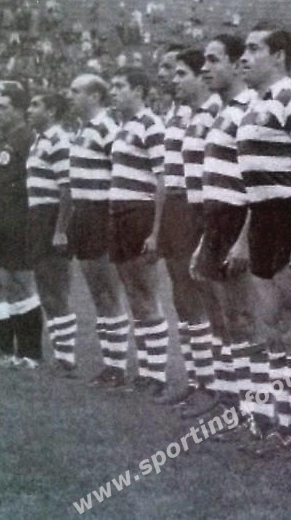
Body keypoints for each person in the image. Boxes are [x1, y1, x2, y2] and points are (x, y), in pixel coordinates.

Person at [236, 22, 291, 459]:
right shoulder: (253, 106)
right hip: (263, 219)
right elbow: (256, 183)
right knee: (271, 324)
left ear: (279, 56)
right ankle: (282, 426)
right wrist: (243, 238)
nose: (244, 57)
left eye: (254, 49)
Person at [190, 34, 263, 440]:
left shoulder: (250, 108)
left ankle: (259, 415)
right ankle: (236, 406)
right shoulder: (222, 111)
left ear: (237, 65)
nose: (205, 68)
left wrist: (245, 239)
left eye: (213, 60)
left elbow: (256, 182)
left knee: (246, 319)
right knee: (228, 320)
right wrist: (206, 237)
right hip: (216, 221)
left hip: (239, 221)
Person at [156, 48, 218, 407]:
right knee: (181, 295)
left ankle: (212, 384)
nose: (166, 76)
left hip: (196, 203)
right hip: (176, 204)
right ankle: (196, 379)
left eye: (176, 70)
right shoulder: (178, 111)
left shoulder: (211, 110)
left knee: (201, 295)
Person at [108, 66, 170, 395]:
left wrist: (156, 232)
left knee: (146, 294)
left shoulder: (151, 125)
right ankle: (145, 371)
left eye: (120, 86)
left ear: (139, 91)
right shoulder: (122, 128)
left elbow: (163, 180)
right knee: (132, 294)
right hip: (119, 215)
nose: (114, 91)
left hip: (140, 214)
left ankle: (156, 375)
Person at [66, 74, 130, 388]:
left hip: (101, 215)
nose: (70, 96)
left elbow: (118, 176)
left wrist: (113, 221)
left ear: (94, 96)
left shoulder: (107, 129)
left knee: (108, 293)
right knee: (96, 294)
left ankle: (117, 367)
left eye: (76, 91)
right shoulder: (82, 131)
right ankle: (110, 364)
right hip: (82, 215)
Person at [0, 88, 45, 369]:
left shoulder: (27, 138)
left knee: (22, 284)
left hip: (18, 223)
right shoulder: (2, 139)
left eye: (3, 107)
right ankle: (14, 348)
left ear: (19, 110)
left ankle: (31, 352)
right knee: (5, 283)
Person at [26, 92, 77, 376]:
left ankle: (67, 358)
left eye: (36, 105)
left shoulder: (59, 140)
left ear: (52, 111)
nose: (29, 109)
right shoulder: (38, 141)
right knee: (45, 290)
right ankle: (60, 356)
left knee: (57, 289)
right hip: (37, 218)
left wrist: (60, 229)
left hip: (51, 217)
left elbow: (67, 189)